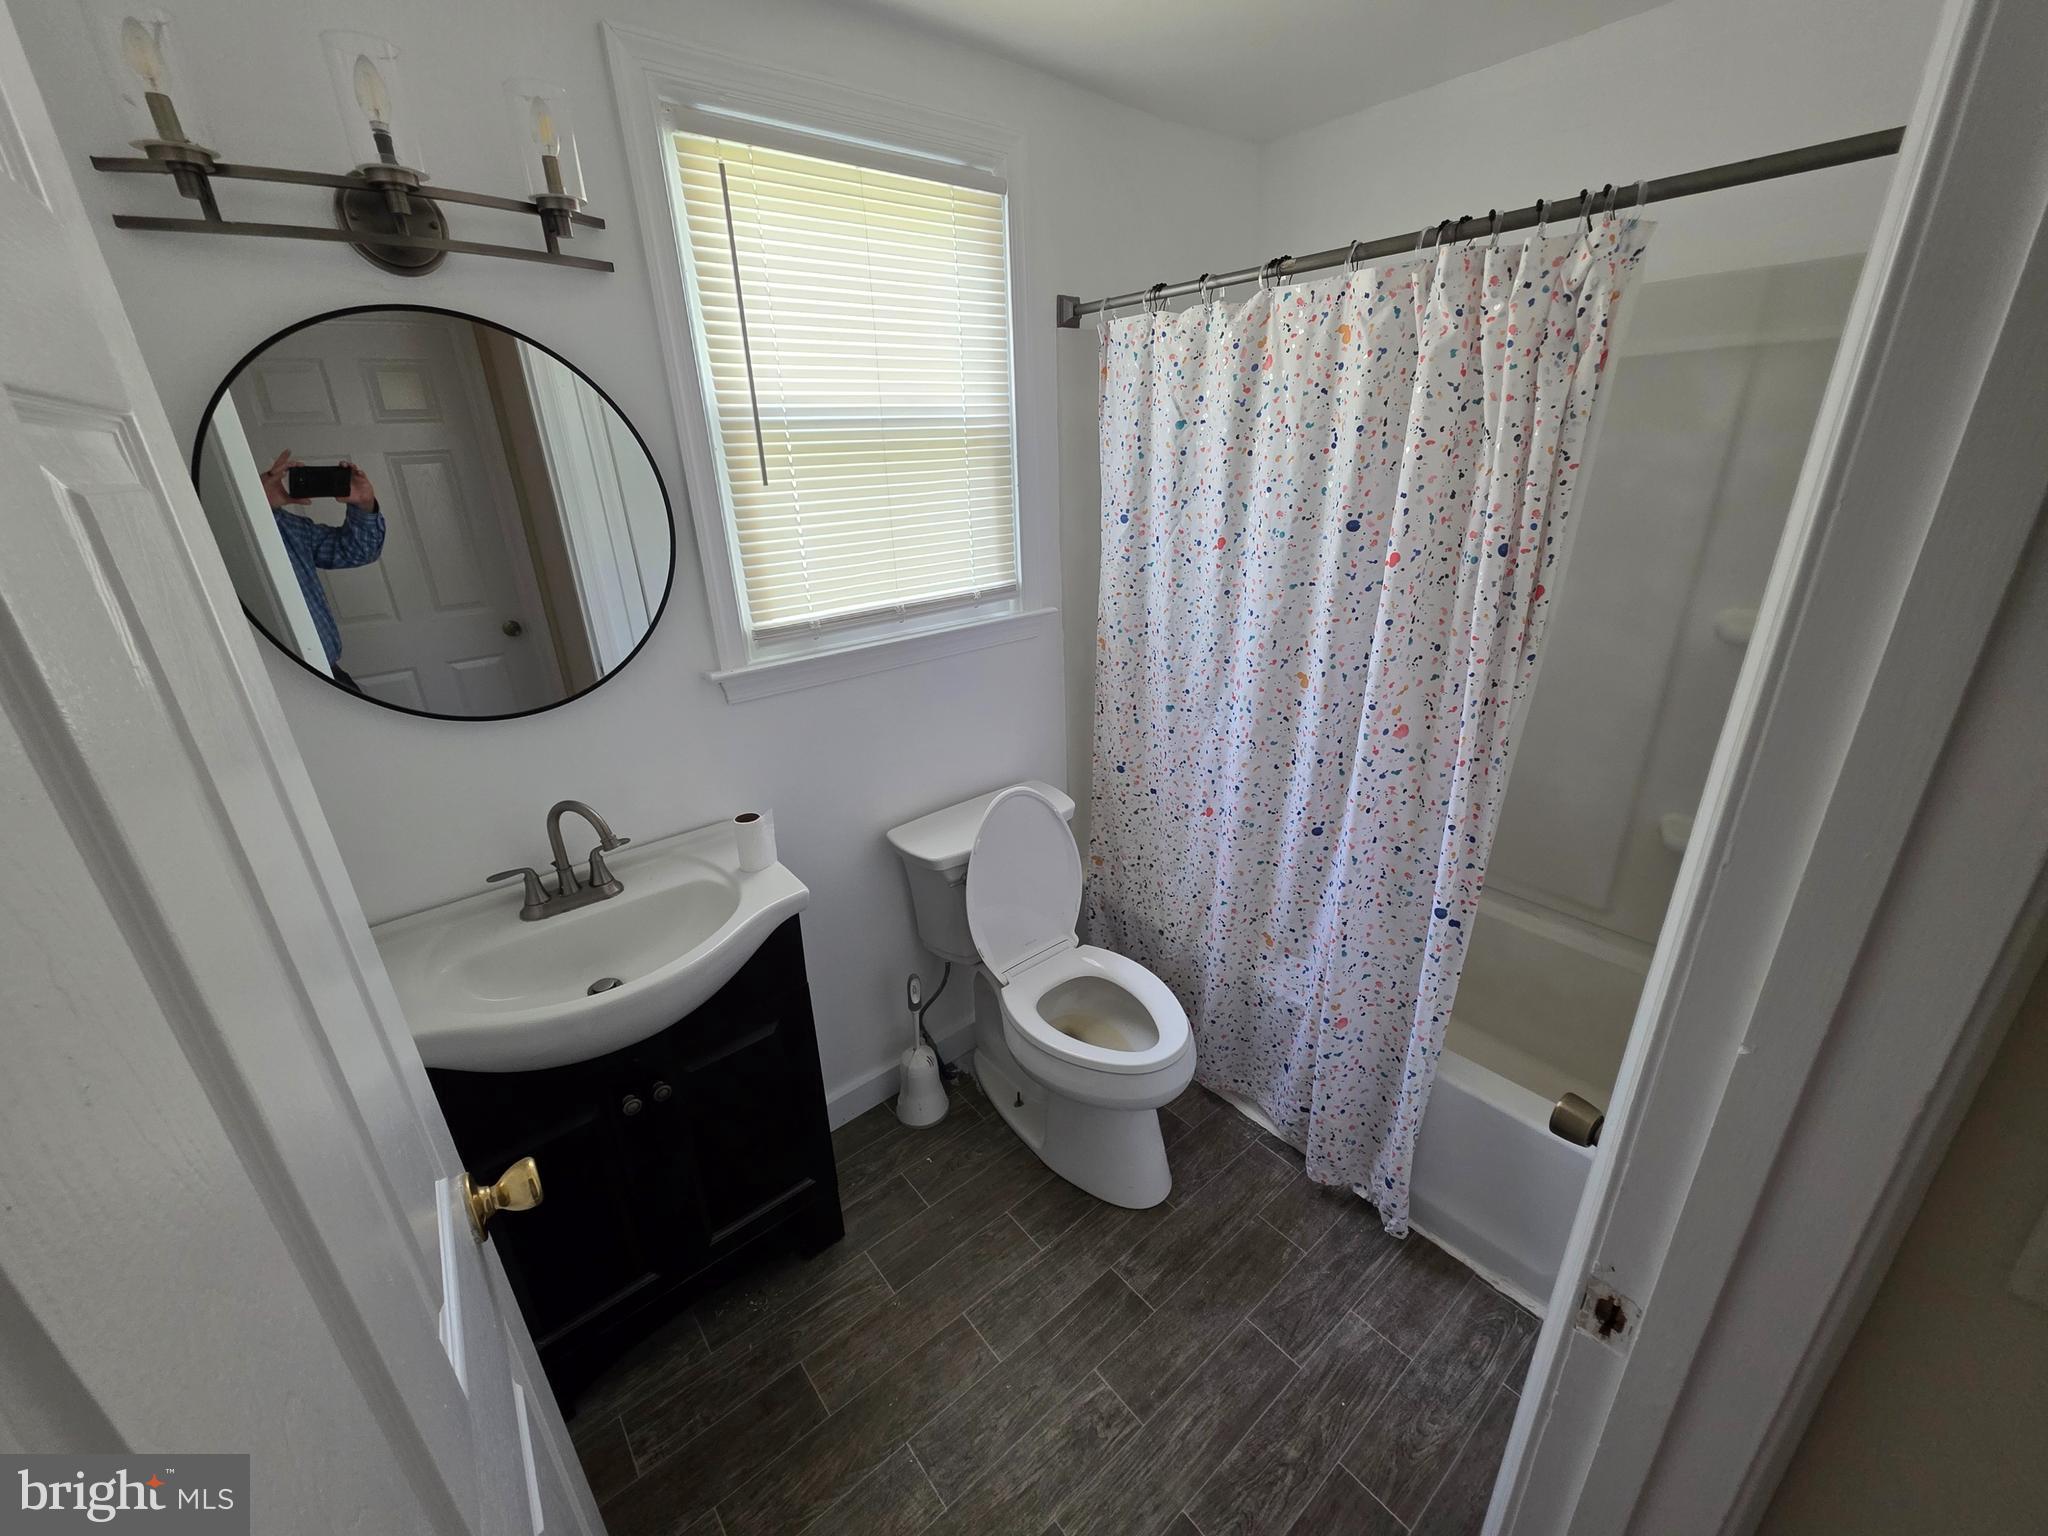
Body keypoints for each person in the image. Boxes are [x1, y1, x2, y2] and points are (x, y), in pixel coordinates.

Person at [260, 449, 384, 693]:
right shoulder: (215, 531)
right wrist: (251, 506)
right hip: (277, 684)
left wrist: (364, 504)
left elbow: (359, 551)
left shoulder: (288, 527)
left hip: (332, 676)